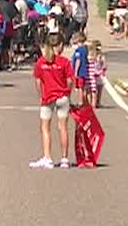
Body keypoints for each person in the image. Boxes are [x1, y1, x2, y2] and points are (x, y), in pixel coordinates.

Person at [31, 34, 75, 169]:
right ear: (60, 45)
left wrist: (41, 95)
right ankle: (64, 158)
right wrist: (67, 92)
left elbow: (38, 81)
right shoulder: (64, 62)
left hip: (48, 97)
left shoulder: (41, 62)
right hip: (62, 96)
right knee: (63, 127)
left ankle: (47, 157)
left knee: (45, 127)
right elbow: (70, 80)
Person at [71, 31, 90, 107]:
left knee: (80, 88)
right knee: (83, 87)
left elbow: (78, 61)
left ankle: (80, 102)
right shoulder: (85, 49)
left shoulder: (78, 50)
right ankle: (85, 102)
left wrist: (76, 71)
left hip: (80, 72)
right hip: (84, 71)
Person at [88, 40, 107, 108]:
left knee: (94, 89)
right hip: (97, 74)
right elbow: (104, 65)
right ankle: (96, 102)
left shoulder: (95, 55)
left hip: (94, 73)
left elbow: (104, 64)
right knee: (96, 89)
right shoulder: (98, 56)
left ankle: (94, 102)